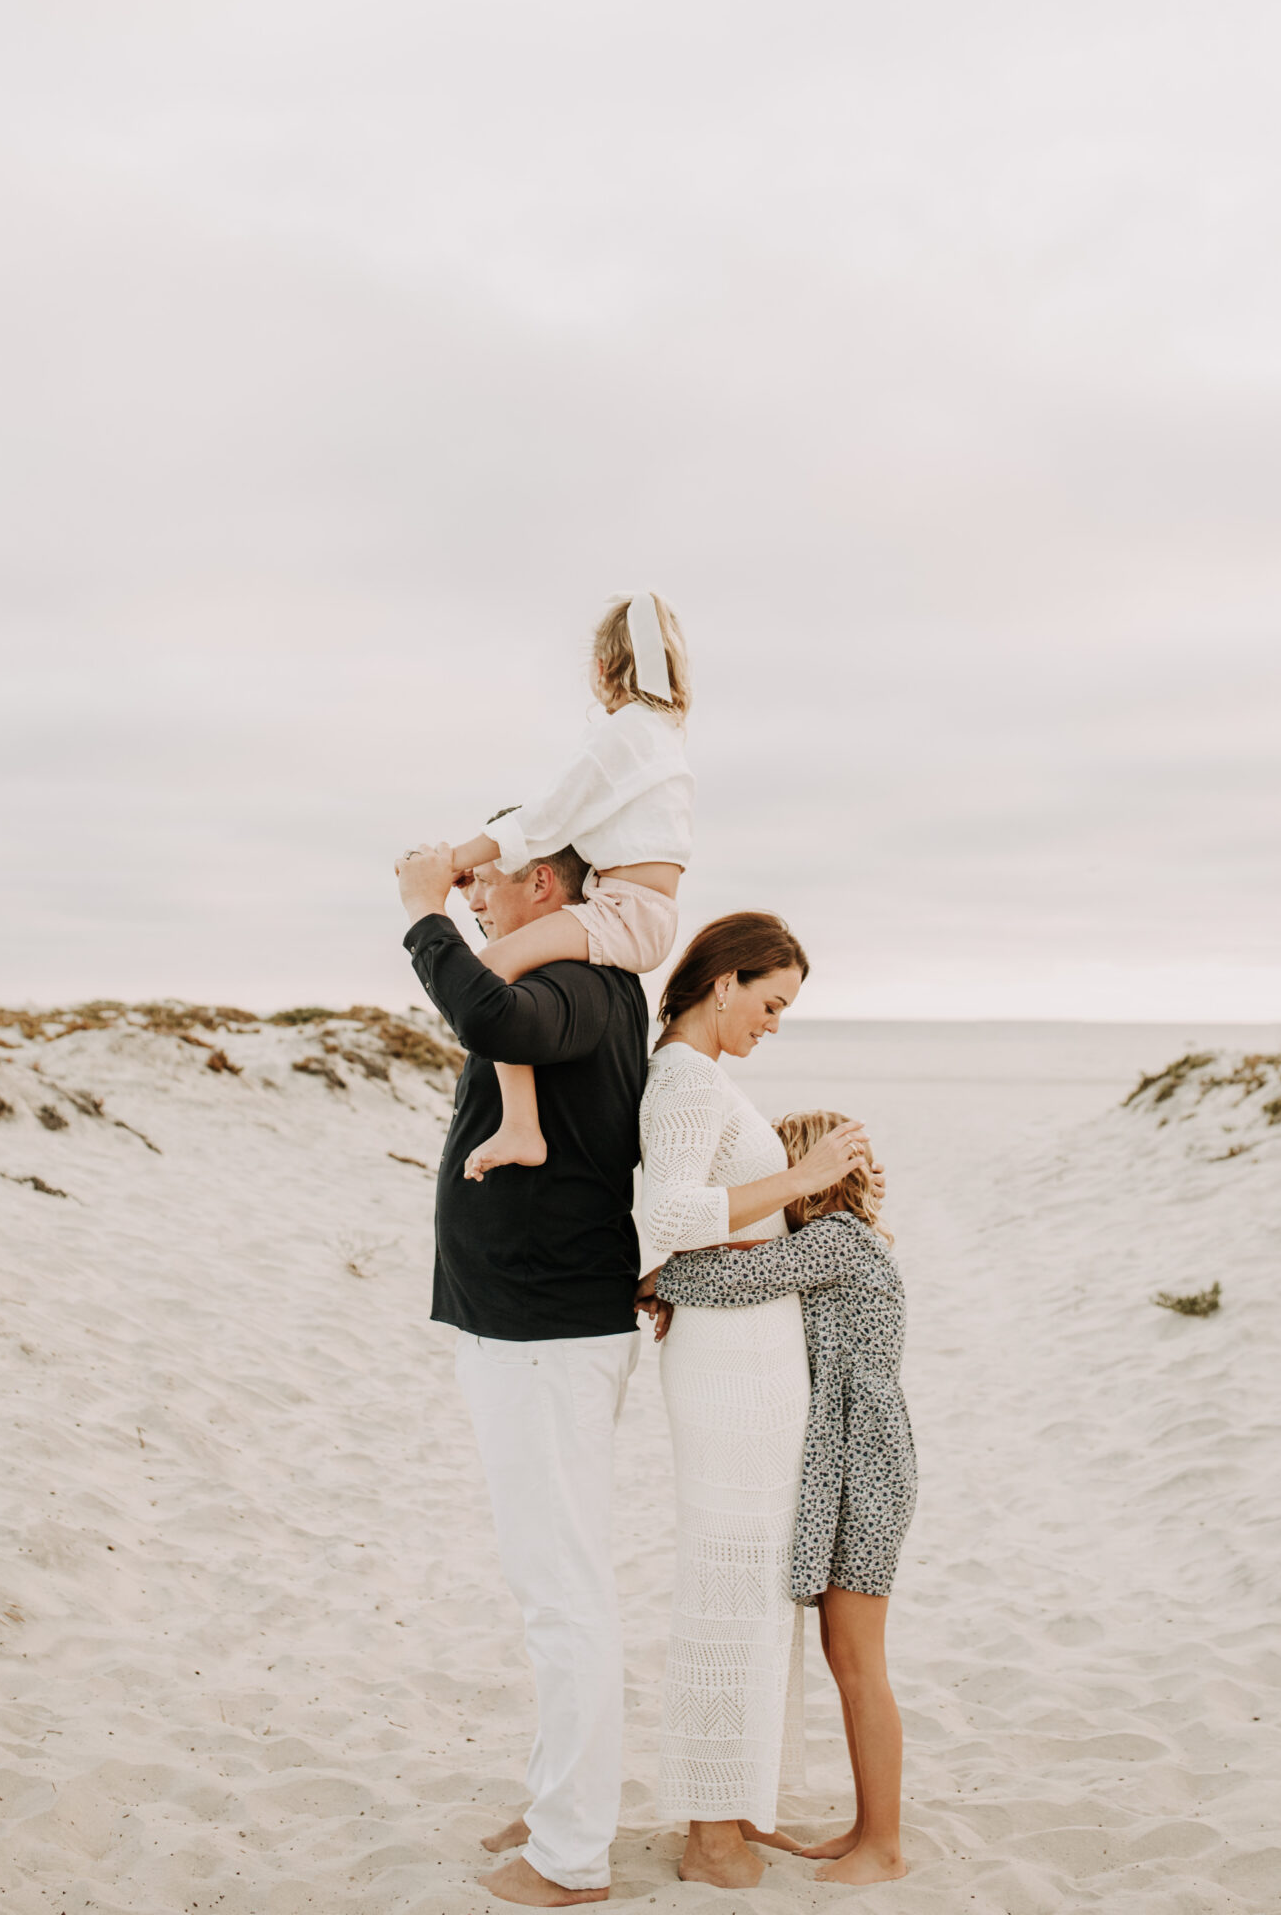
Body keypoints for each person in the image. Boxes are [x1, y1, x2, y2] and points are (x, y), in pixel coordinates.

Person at [397, 833, 647, 1909]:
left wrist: (423, 919)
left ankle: (573, 1853)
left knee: (562, 1593)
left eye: (485, 878)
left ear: (543, 883)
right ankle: (560, 1802)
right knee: (552, 1584)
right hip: (529, 1322)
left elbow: (494, 1016)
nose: (470, 892)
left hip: (546, 1331)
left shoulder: (577, 979)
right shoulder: (569, 973)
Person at [637, 913, 873, 1892]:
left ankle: (736, 1801)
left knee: (755, 1580)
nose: (776, 1022)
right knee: (728, 1584)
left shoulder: (703, 1076)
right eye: (771, 1002)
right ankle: (708, 1830)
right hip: (729, 1374)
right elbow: (668, 1215)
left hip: (749, 1362)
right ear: (724, 981)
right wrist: (807, 1175)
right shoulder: (686, 1077)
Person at [646, 1111, 917, 1887]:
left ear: (811, 1177)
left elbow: (730, 1278)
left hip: (862, 1469)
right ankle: (866, 1829)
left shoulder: (833, 1242)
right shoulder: (836, 1244)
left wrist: (658, 1276)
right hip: (850, 1463)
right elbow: (752, 1268)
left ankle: (885, 1847)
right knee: (846, 1656)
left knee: (860, 1660)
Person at [440, 591, 692, 1181]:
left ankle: (522, 1126)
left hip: (625, 910)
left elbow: (546, 817)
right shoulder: (663, 734)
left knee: (490, 966)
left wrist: (454, 857)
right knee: (515, 966)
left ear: (602, 669)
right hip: (644, 911)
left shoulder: (624, 733)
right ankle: (522, 1124)